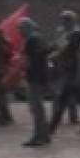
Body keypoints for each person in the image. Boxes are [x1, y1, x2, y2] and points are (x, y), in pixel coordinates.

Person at [49, 10, 80, 136]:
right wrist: (52, 56)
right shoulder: (65, 34)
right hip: (66, 71)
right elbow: (60, 50)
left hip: (73, 72)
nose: (64, 22)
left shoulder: (76, 35)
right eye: (63, 19)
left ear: (72, 21)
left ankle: (51, 127)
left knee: (63, 100)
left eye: (66, 20)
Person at [20, 17, 52, 148]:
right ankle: (44, 134)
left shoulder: (30, 40)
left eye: (21, 29)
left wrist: (23, 73)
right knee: (39, 108)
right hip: (41, 76)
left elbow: (27, 61)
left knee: (36, 108)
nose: (19, 32)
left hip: (34, 77)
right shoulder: (40, 38)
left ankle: (39, 136)